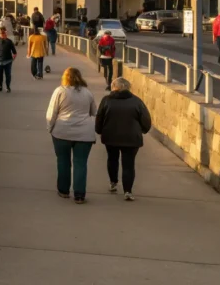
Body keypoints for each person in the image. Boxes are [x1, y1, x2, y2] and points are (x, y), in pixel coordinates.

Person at [95, 77, 152, 202]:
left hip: (111, 136)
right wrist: (142, 130)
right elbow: (146, 120)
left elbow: (99, 117)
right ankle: (128, 191)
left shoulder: (106, 100)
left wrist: (99, 130)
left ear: (113, 87)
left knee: (112, 159)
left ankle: (113, 182)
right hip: (131, 138)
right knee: (128, 164)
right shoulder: (137, 101)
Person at [45, 67, 97, 204]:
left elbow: (52, 113)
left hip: (62, 132)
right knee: (80, 163)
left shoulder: (60, 91)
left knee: (63, 161)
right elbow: (93, 112)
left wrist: (50, 128)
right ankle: (79, 194)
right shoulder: (87, 93)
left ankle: (63, 190)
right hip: (85, 134)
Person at [0, 27, 17, 92]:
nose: (4, 34)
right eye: (4, 33)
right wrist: (12, 59)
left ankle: (0, 86)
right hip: (7, 61)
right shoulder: (9, 41)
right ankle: (7, 87)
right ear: (5, 33)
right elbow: (14, 53)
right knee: (7, 75)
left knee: (0, 75)